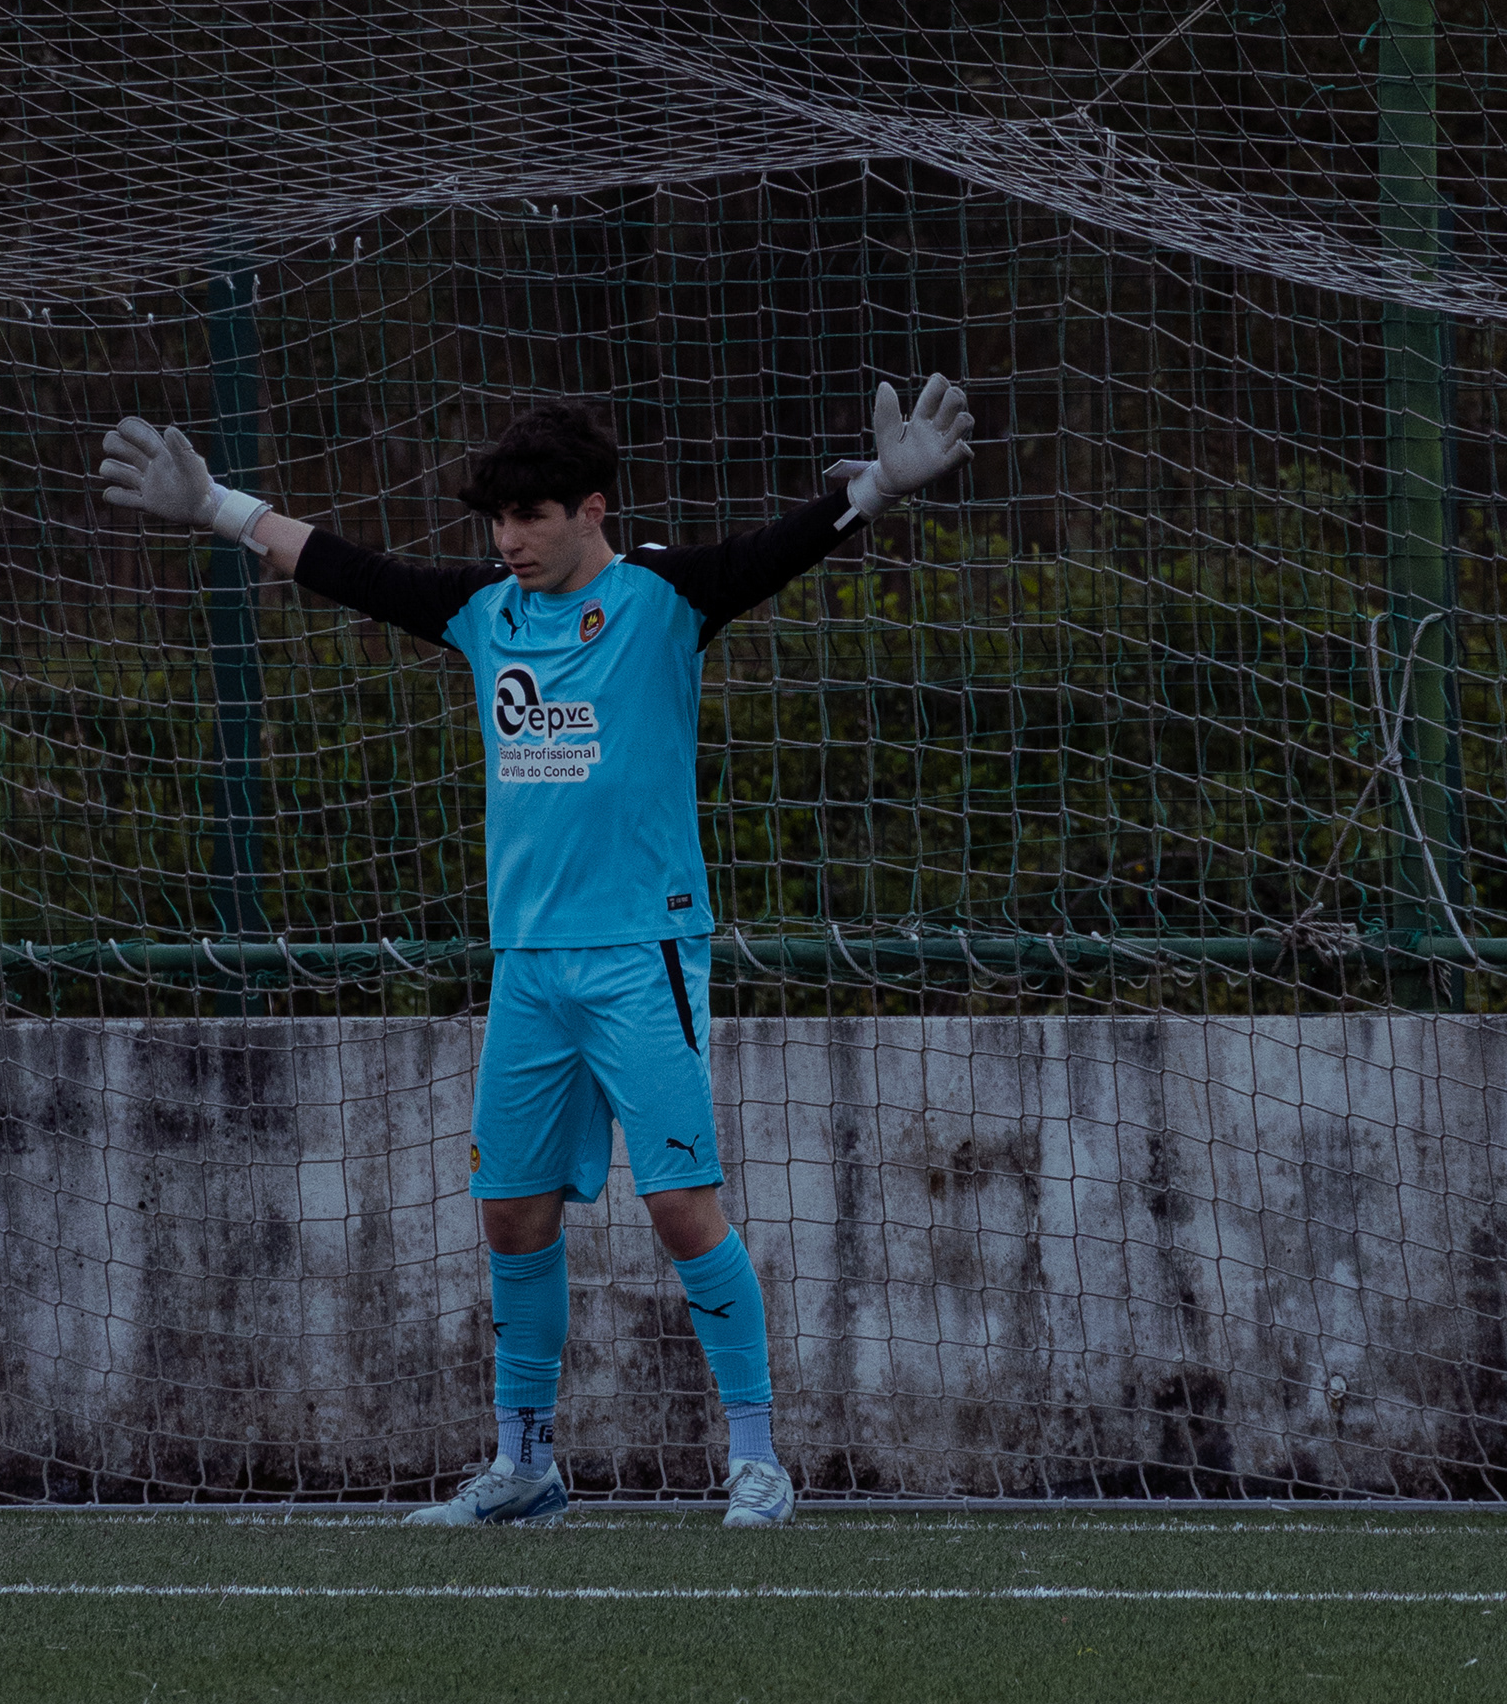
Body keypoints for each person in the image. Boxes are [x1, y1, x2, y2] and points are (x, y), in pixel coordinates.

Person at [98, 378, 973, 1529]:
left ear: (590, 510)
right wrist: (218, 505)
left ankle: (757, 1459)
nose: (508, 540)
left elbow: (775, 552)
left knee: (681, 1208)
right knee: (511, 1216)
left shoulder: (661, 597)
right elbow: (352, 569)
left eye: (530, 518)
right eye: (497, 521)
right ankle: (525, 1465)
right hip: (528, 970)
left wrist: (876, 489)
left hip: (640, 956)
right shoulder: (484, 612)